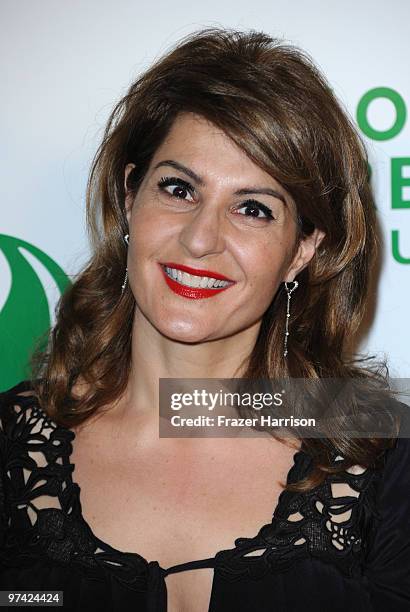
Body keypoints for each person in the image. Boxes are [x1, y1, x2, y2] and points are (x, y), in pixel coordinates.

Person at [0, 27, 409, 612]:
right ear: (130, 196)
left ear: (302, 249)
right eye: (179, 188)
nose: (200, 239)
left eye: (252, 208)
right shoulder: (10, 446)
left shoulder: (387, 461)